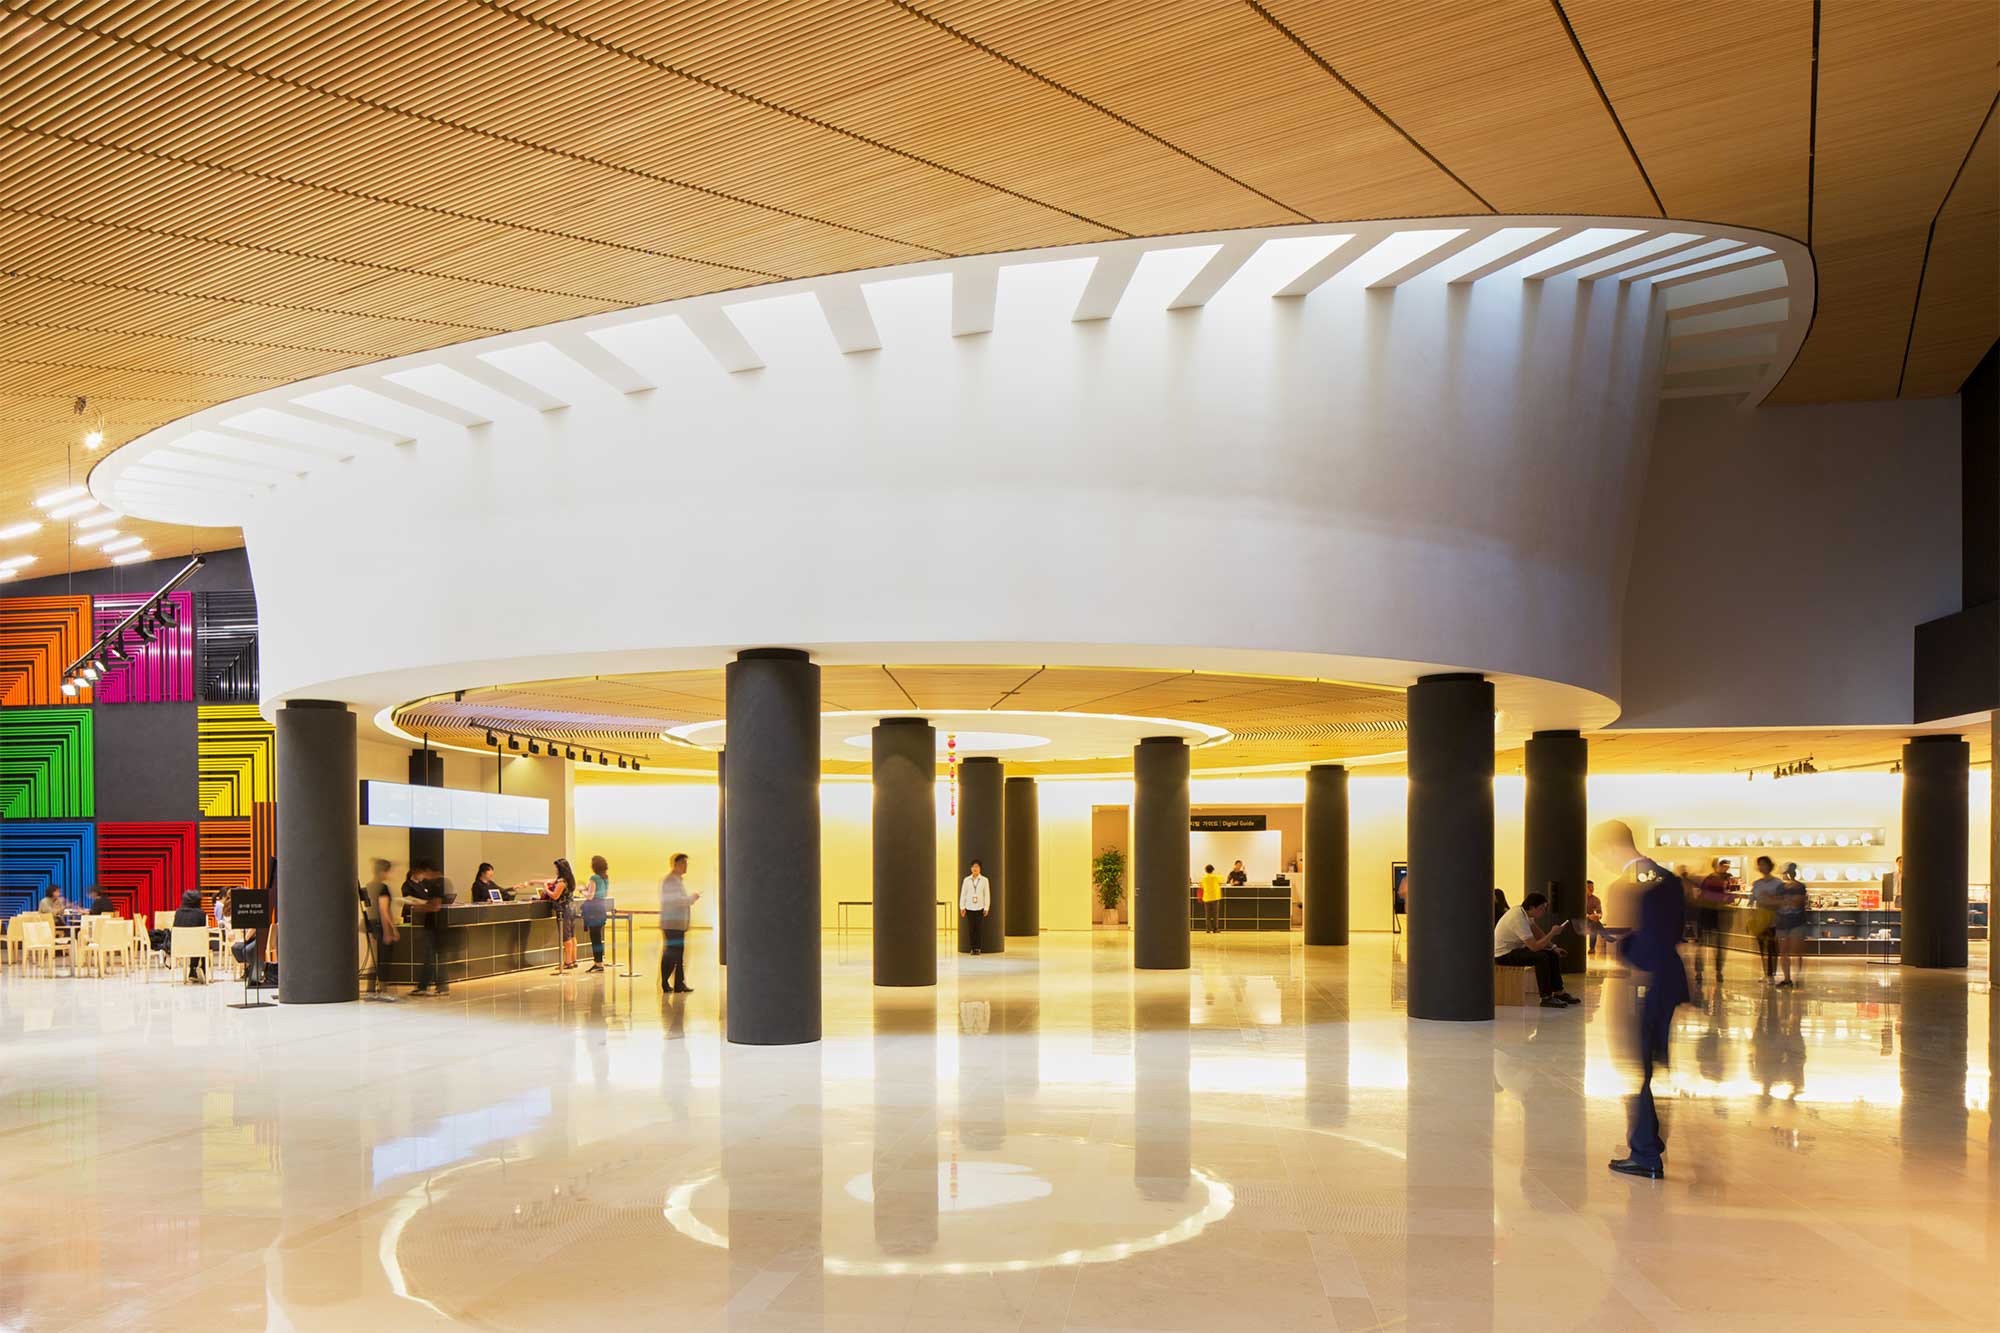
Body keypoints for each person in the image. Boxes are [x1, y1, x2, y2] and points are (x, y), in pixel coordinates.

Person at [1593, 819, 1689, 1180]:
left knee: (1637, 1070)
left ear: (1609, 848)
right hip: (1668, 980)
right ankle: (1650, 1141)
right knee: (1652, 1064)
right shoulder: (1669, 879)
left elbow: (1636, 942)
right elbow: (1672, 930)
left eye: (1601, 856)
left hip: (1643, 984)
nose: (1603, 863)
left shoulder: (1626, 886)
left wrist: (1610, 939)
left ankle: (1645, 1152)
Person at [1492, 891, 1576, 1007]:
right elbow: (1534, 947)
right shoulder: (1518, 918)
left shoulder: (1525, 913)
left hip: (1514, 950)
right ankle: (1546, 997)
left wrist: (1554, 947)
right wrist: (1552, 933)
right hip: (1504, 955)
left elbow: (1537, 932)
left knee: (1552, 954)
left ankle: (1559, 992)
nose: (1544, 911)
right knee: (1541, 957)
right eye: (1542, 908)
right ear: (1532, 907)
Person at [404, 860, 452, 996]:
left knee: (430, 956)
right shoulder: (445, 882)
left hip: (433, 926)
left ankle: (429, 986)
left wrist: (418, 907)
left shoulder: (437, 884)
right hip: (441, 924)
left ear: (428, 870)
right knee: (436, 956)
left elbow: (435, 906)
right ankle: (436, 986)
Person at [657, 852, 700, 993]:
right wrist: (691, 898)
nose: (686, 866)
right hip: (672, 925)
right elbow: (676, 901)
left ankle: (679, 984)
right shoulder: (670, 881)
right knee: (672, 954)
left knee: (678, 955)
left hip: (677, 925)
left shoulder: (677, 880)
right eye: (684, 863)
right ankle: (665, 982)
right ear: (676, 864)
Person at [1691, 857, 1734, 986]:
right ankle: (1703, 971)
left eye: (1727, 867)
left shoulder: (1727, 879)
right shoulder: (1712, 879)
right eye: (1724, 866)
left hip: (1714, 913)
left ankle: (1714, 971)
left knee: (1715, 945)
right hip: (1711, 912)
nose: (1725, 869)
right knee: (1707, 944)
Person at [360, 859, 398, 997]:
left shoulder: (369, 886)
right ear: (383, 871)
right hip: (381, 926)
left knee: (375, 958)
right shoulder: (383, 888)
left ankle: (370, 989)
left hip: (371, 925)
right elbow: (384, 910)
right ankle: (383, 989)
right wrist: (390, 930)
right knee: (383, 958)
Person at [1773, 861, 1811, 988]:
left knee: (1789, 951)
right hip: (1788, 922)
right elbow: (1797, 901)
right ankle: (1791, 978)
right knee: (1792, 951)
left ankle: (1790, 978)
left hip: (1791, 921)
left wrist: (1783, 901)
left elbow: (1796, 902)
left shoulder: (1789, 887)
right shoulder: (1797, 887)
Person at [1746, 856, 1783, 984]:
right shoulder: (1757, 883)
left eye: (1764, 864)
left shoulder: (1778, 883)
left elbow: (1782, 900)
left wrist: (1771, 900)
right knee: (1762, 947)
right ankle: (1766, 972)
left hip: (1773, 918)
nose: (1762, 867)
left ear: (1769, 866)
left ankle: (1771, 974)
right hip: (1760, 918)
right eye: (1760, 864)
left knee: (1772, 947)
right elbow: (1752, 900)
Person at [544, 858, 578, 972]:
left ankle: (568, 962)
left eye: (556, 868)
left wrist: (546, 889)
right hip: (571, 909)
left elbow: (555, 896)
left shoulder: (562, 882)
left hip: (563, 910)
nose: (555, 870)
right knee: (572, 935)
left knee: (566, 937)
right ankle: (573, 960)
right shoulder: (569, 879)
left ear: (560, 869)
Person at [581, 855, 612, 974]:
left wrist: (582, 891)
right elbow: (605, 894)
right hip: (601, 907)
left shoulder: (594, 877)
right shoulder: (605, 878)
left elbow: (590, 896)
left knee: (595, 937)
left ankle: (598, 963)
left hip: (593, 909)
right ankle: (599, 962)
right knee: (598, 937)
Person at [169, 888, 207, 981]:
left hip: (179, 947)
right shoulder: (201, 913)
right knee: (201, 942)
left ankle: (193, 970)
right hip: (197, 948)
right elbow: (202, 932)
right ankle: (198, 969)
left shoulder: (178, 912)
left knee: (194, 941)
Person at [959, 859, 991, 955]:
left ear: (980, 868)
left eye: (977, 867)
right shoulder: (966, 880)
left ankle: (978, 948)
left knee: (979, 928)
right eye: (973, 867)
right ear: (971, 868)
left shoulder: (984, 880)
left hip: (980, 907)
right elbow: (963, 894)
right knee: (971, 929)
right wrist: (962, 907)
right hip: (969, 907)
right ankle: (973, 948)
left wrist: (986, 907)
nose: (975, 868)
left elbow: (987, 894)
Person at [1583, 879, 1605, 955]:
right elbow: (1577, 913)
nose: (1591, 889)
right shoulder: (1580, 898)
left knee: (1594, 924)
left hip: (1592, 921)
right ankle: (1603, 932)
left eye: (1592, 887)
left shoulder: (1596, 899)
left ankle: (1592, 948)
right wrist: (1588, 916)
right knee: (1594, 923)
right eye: (1589, 887)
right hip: (1582, 919)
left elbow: (1600, 912)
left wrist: (1598, 916)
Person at [1199, 864, 1223, 934]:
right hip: (1215, 897)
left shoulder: (1204, 878)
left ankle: (1208, 929)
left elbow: (1201, 886)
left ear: (1206, 870)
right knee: (1215, 914)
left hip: (1207, 897)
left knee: (1208, 915)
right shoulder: (1216, 877)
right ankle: (1215, 929)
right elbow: (1222, 881)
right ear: (1213, 870)